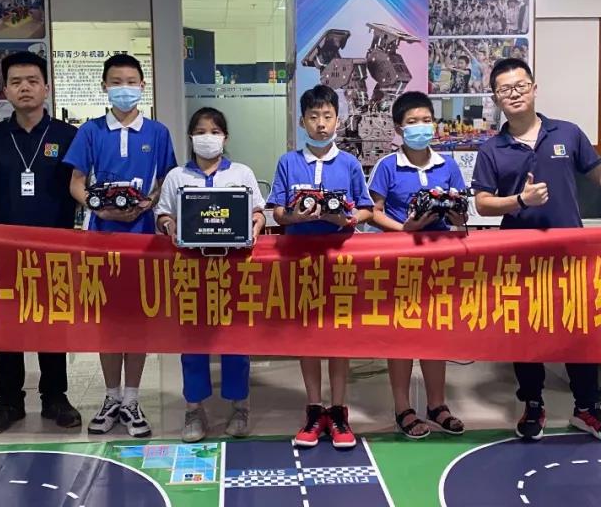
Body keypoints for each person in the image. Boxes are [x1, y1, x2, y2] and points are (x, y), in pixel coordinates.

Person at [472, 58, 601, 444]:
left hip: (571, 257)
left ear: (534, 88)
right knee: (526, 333)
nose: (514, 94)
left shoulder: (567, 133)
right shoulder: (492, 149)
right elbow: (482, 203)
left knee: (580, 330)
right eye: (505, 89)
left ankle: (587, 408)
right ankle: (532, 404)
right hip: (521, 260)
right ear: (496, 99)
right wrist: (519, 200)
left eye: (520, 86)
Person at [65, 53, 177, 439]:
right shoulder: (91, 131)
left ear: (143, 86)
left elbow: (166, 180)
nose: (124, 88)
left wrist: (148, 204)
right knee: (108, 320)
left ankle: (132, 398)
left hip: (144, 237)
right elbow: (76, 182)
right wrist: (99, 207)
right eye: (116, 82)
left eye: (131, 82)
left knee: (137, 317)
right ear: (105, 87)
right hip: (101, 237)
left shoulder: (157, 133)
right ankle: (111, 396)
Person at [0, 51, 83, 434]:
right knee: (8, 325)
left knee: (53, 323)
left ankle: (55, 396)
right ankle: (9, 400)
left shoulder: (68, 136)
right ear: (5, 90)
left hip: (56, 248)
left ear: (46, 88)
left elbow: (81, 188)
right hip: (5, 250)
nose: (25, 88)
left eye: (33, 81)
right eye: (16, 82)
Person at [269, 84, 374, 449]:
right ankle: (314, 408)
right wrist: (294, 217)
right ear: (302, 122)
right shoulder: (288, 162)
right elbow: (277, 211)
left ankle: (339, 410)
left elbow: (366, 208)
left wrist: (347, 220)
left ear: (337, 120)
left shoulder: (348, 163)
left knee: (339, 334)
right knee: (308, 334)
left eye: (327, 116)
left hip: (340, 261)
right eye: (313, 117)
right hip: (299, 260)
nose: (321, 124)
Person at [154, 107, 266, 443]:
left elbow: (258, 211)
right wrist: (170, 225)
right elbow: (162, 215)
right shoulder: (177, 177)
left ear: (225, 137)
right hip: (191, 269)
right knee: (193, 341)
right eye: (201, 131)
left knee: (235, 339)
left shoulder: (242, 173)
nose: (208, 138)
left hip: (233, 269)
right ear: (191, 137)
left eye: (215, 131)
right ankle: (194, 409)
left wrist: (256, 224)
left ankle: (240, 406)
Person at [367, 91, 467, 440]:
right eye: (412, 122)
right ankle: (403, 408)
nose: (421, 127)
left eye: (426, 120)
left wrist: (455, 215)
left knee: (435, 332)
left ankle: (437, 405)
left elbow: (461, 212)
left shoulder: (447, 166)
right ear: (399, 128)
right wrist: (404, 229)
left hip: (439, 262)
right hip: (400, 261)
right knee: (402, 334)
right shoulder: (387, 166)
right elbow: (373, 212)